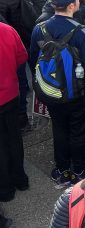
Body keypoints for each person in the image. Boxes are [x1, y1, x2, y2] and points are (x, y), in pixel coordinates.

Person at [29, 0, 85, 187]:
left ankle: (61, 169)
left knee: (59, 128)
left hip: (51, 91)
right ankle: (78, 170)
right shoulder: (81, 31)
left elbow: (33, 58)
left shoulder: (40, 28)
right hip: (78, 92)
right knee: (79, 130)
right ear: (73, 5)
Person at [0, 22, 28, 202]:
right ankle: (21, 179)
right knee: (14, 138)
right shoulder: (7, 30)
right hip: (10, 94)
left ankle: (5, 188)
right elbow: (22, 56)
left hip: (8, 94)